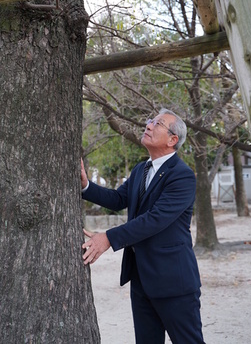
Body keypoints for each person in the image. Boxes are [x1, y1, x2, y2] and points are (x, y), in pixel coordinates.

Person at [81, 108, 205, 344]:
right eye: (150, 121)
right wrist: (87, 185)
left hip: (173, 282)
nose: (148, 125)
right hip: (140, 280)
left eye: (157, 124)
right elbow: (119, 199)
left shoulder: (182, 176)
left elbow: (155, 219)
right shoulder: (141, 169)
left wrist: (107, 237)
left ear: (172, 140)